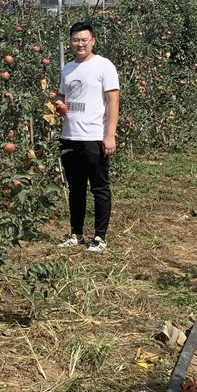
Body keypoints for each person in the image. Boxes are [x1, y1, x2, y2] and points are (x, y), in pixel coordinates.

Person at [56, 21, 119, 253]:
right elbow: (62, 95)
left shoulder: (104, 66)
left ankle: (100, 237)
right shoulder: (68, 69)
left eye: (84, 40)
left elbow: (113, 100)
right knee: (76, 187)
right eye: (75, 40)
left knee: (99, 188)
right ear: (70, 42)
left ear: (92, 41)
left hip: (94, 135)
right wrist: (58, 104)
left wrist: (109, 135)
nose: (79, 44)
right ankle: (76, 234)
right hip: (69, 136)